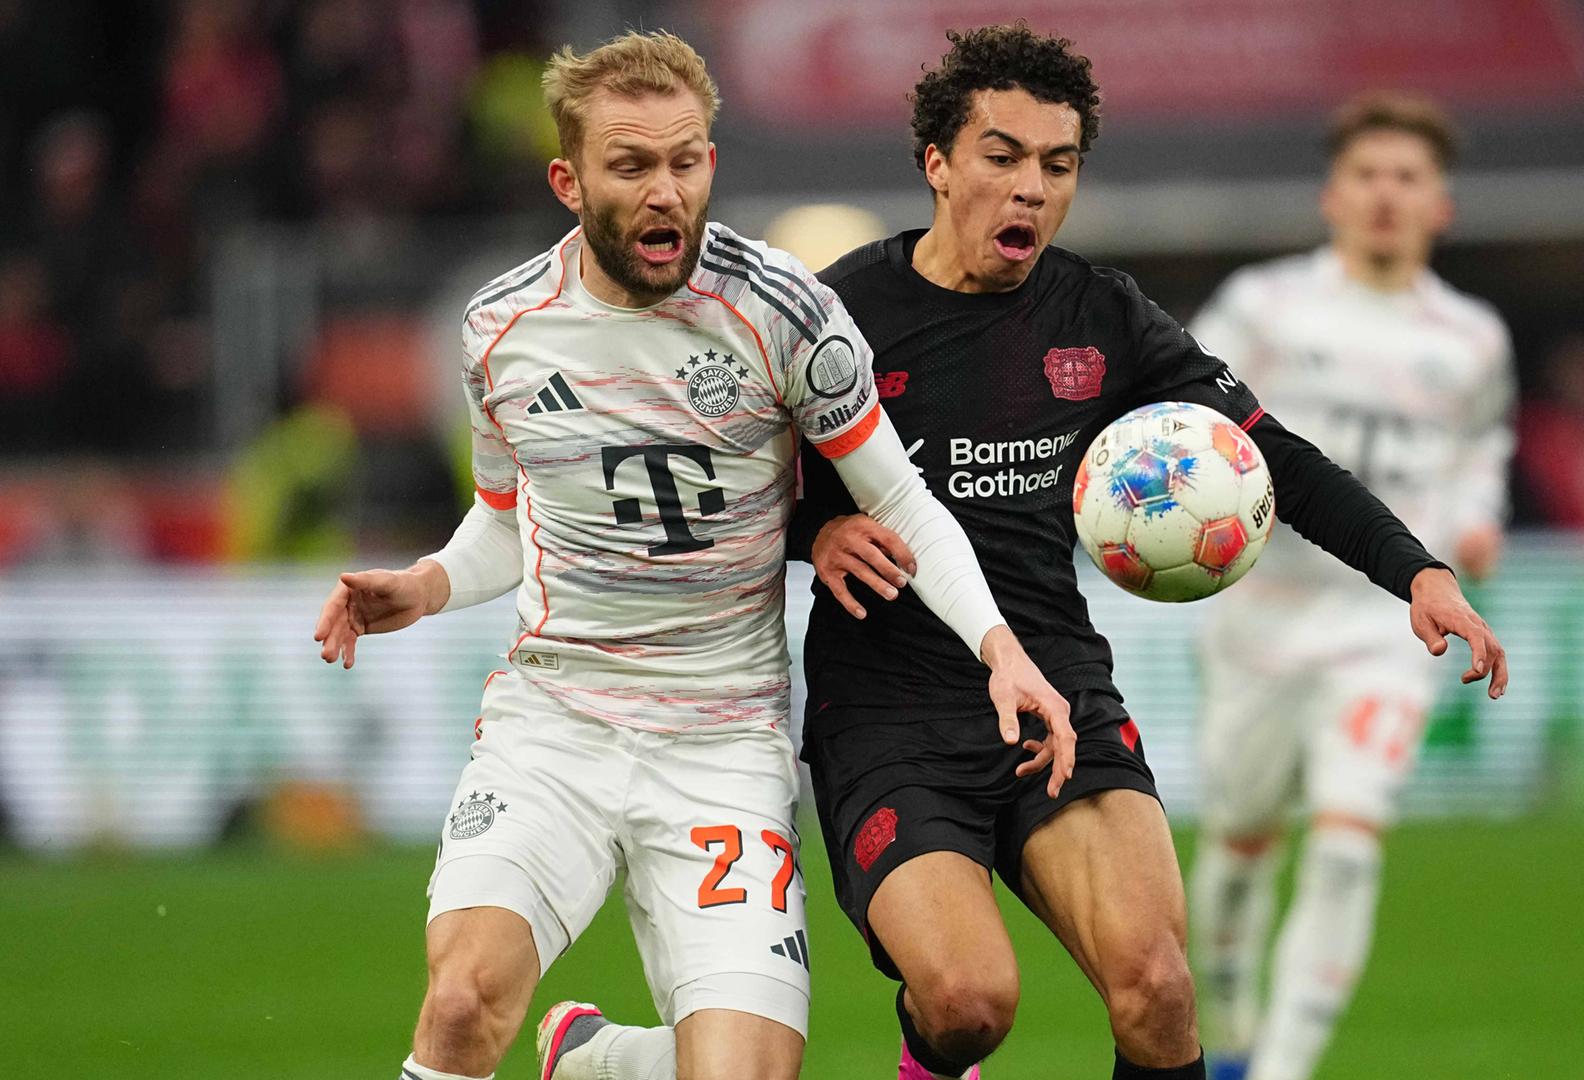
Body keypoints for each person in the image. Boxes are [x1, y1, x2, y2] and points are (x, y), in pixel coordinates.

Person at [310, 31, 1073, 1080]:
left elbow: (901, 498)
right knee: (461, 1002)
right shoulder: (502, 329)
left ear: (711, 161)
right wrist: (428, 583)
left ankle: (602, 1060)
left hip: (721, 742)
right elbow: (501, 518)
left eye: (685, 160)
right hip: (559, 722)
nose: (665, 190)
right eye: (631, 166)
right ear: (568, 181)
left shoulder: (787, 314)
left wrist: (1001, 648)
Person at [785, 24, 1509, 1080]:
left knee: (1162, 991)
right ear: (936, 164)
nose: (1031, 187)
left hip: (1055, 687)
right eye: (1002, 157)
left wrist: (1419, 570)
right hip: (891, 707)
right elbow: (742, 494)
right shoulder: (841, 314)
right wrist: (819, 527)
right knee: (967, 1003)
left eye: (1058, 164)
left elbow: (1273, 459)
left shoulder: (1101, 315)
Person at [1184, 93, 1515, 1080]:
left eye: (1408, 178)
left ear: (1439, 206)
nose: (1386, 194)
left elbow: (1479, 445)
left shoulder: (1472, 339)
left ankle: (1281, 1071)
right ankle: (1233, 1023)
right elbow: (1181, 410)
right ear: (1333, 195)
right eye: (1368, 175)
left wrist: (1475, 518)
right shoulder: (1262, 307)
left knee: (1345, 845)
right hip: (1258, 620)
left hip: (1385, 627)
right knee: (1238, 854)